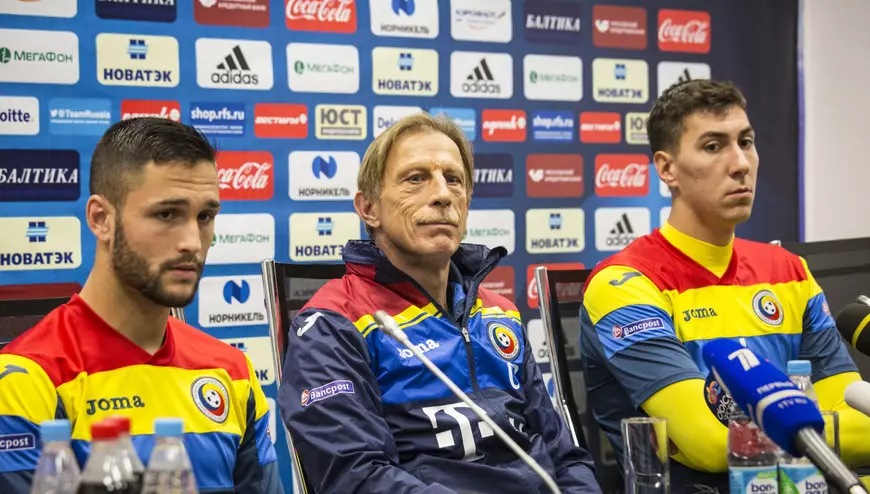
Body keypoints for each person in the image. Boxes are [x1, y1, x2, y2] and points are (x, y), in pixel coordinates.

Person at [276, 113, 601, 493]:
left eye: (454, 179)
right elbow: (358, 477)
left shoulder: (500, 313)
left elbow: (565, 455)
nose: (443, 194)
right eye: (416, 179)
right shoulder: (333, 323)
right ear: (369, 209)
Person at [578, 79, 870, 492]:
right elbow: (713, 445)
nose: (741, 163)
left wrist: (793, 424)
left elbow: (855, 408)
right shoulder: (625, 283)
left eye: (746, 141)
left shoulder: (789, 270)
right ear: (666, 169)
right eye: (713, 146)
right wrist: (805, 422)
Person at [0, 117, 283, 494]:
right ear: (101, 219)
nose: (193, 243)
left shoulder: (234, 372)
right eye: (167, 214)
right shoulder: (28, 380)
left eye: (205, 217)